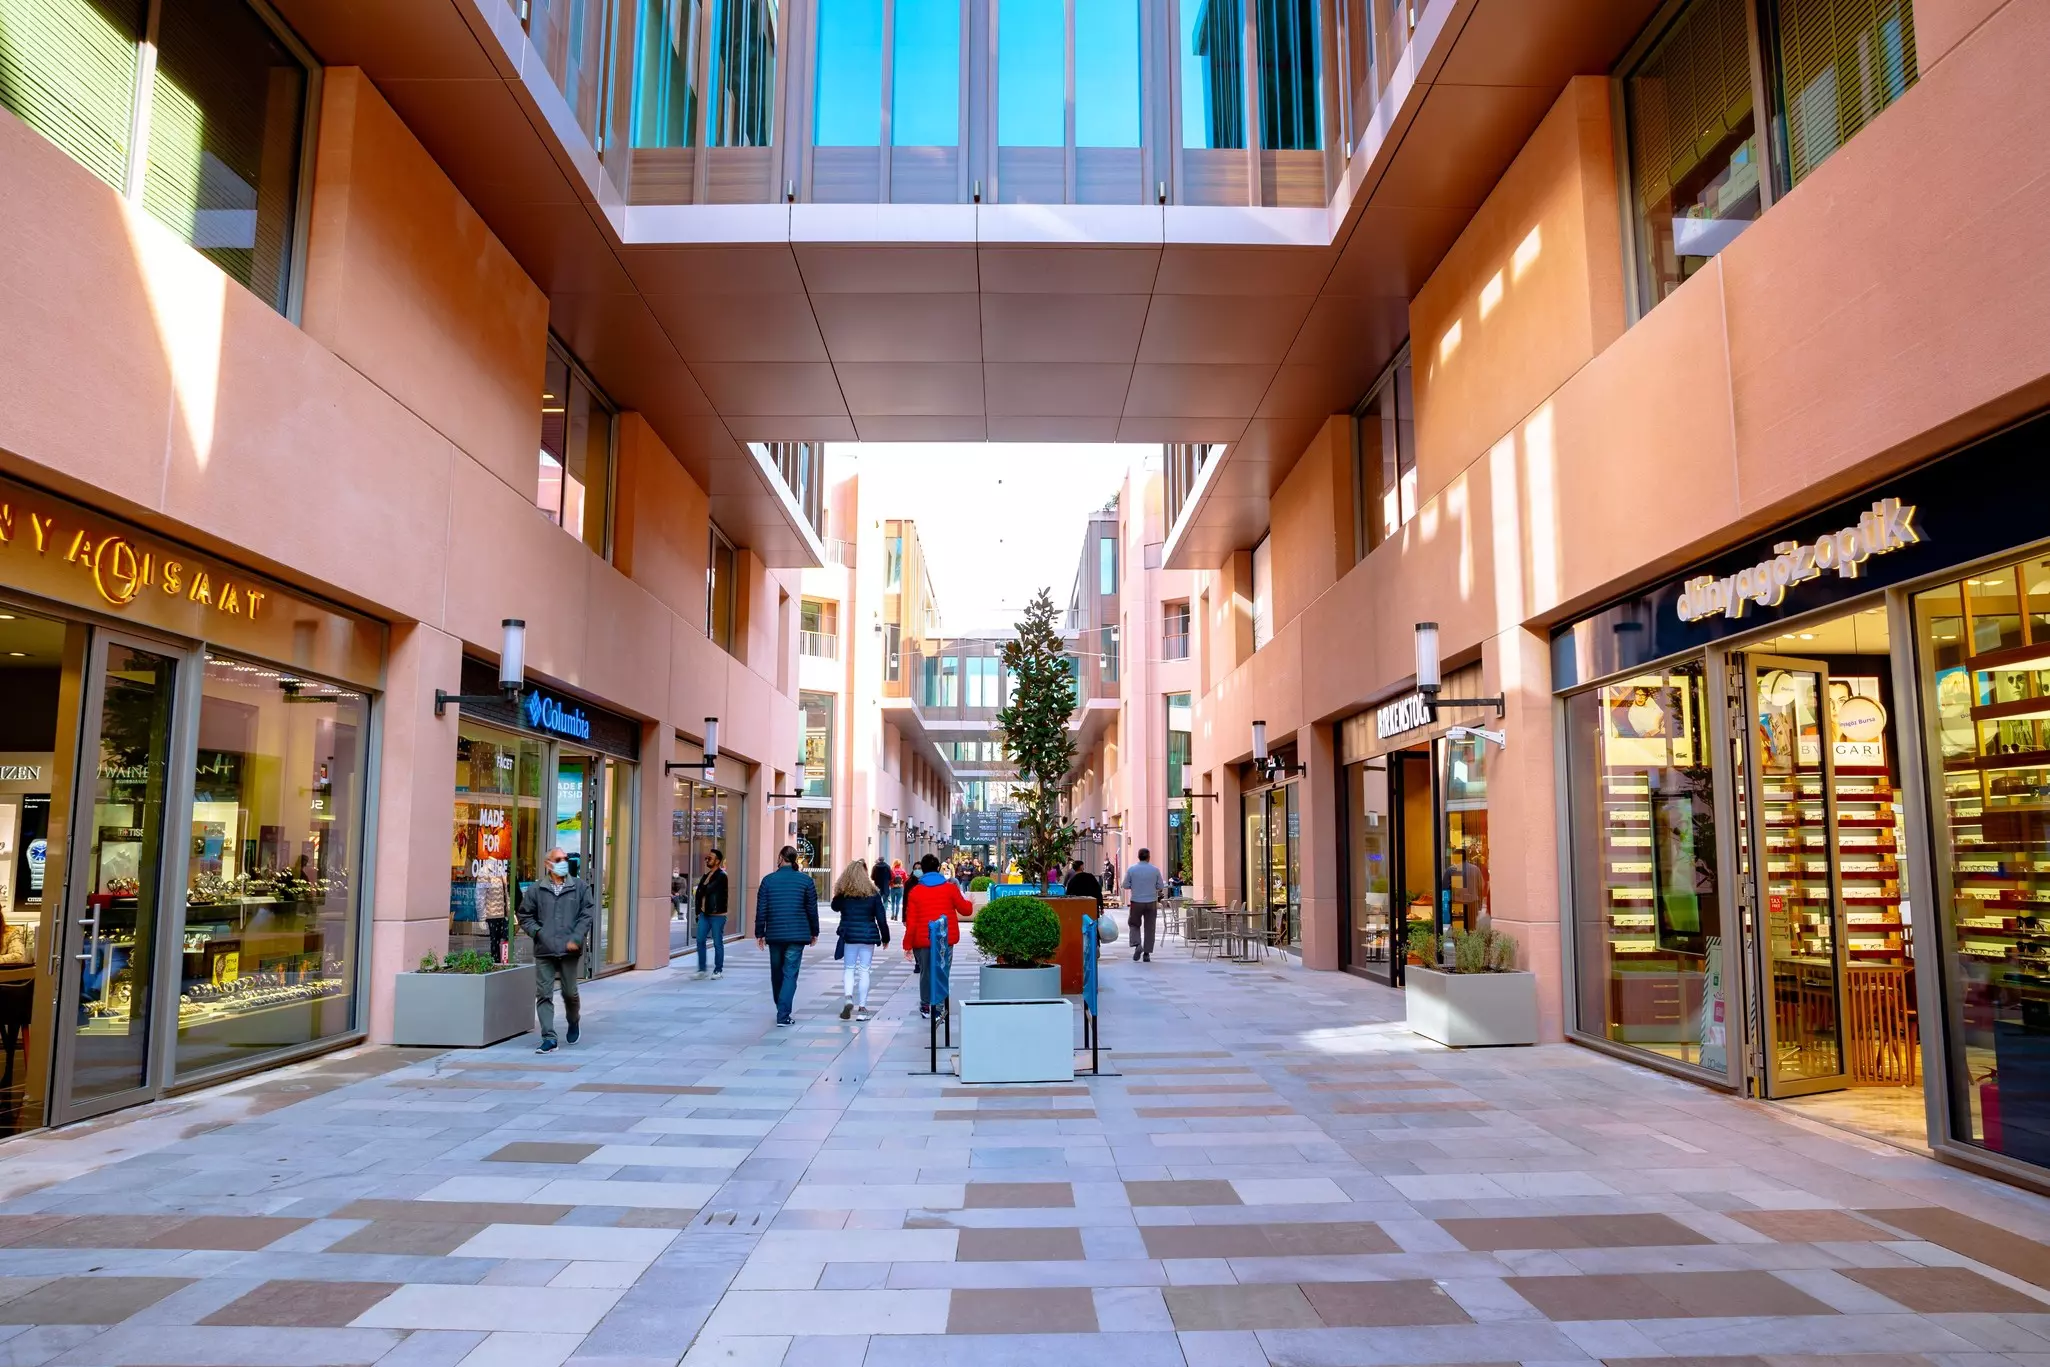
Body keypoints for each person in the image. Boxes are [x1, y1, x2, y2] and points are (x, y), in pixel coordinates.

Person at [517, 845, 595, 1052]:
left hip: (570, 950)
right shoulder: (536, 889)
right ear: (548, 864)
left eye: (565, 859)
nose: (563, 863)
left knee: (570, 993)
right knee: (544, 994)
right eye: (558, 859)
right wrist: (538, 932)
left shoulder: (580, 888)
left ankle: (573, 1020)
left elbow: (587, 914)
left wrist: (577, 938)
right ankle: (549, 1037)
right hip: (545, 949)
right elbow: (524, 915)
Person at [755, 845, 819, 1027]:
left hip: (775, 934)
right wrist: (814, 931)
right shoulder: (805, 881)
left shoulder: (768, 881)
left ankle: (781, 1008)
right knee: (790, 973)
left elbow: (762, 909)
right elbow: (811, 909)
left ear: (781, 858)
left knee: (777, 973)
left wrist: (760, 932)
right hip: (797, 934)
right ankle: (783, 1014)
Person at [903, 853, 967, 1018]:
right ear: (938, 868)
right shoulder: (950, 888)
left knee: (925, 972)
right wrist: (970, 902)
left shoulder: (916, 891)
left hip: (922, 940)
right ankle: (939, 1008)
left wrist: (907, 945)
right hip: (945, 939)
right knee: (942, 971)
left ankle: (925, 1005)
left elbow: (912, 922)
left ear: (922, 870)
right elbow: (965, 910)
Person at [832, 860, 890, 1021]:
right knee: (864, 970)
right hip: (868, 935)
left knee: (849, 968)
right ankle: (862, 1008)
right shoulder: (873, 893)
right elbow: (881, 918)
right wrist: (886, 937)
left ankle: (848, 997)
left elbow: (834, 906)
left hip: (849, 935)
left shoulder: (844, 893)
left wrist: (840, 891)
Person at [1122, 847, 1167, 963]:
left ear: (1138, 856)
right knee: (1150, 927)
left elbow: (1125, 885)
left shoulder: (1131, 869)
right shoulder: (1155, 870)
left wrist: (1134, 886)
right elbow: (1160, 886)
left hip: (1136, 901)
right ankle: (1147, 953)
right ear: (1148, 857)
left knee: (1134, 924)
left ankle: (1137, 944)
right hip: (1151, 901)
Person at [693, 848, 729, 979]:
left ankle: (718, 970)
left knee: (717, 942)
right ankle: (702, 969)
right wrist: (698, 913)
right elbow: (698, 894)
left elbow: (707, 889)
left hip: (717, 915)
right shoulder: (706, 875)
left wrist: (701, 888)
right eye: (707, 857)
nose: (707, 859)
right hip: (704, 914)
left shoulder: (721, 876)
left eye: (710, 858)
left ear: (718, 861)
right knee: (700, 940)